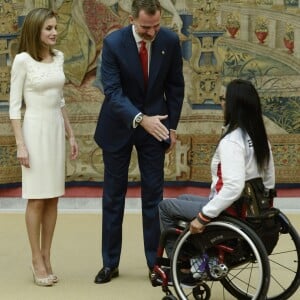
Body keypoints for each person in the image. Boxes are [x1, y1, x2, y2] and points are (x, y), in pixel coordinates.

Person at [93, 0, 184, 284]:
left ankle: (155, 263)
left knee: (154, 199)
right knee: (113, 198)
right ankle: (110, 263)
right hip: (119, 125)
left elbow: (175, 87)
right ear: (131, 19)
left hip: (156, 128)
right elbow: (113, 91)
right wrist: (140, 118)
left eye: (157, 25)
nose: (153, 32)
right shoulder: (113, 43)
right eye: (146, 27)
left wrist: (171, 128)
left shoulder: (169, 40)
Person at [159, 79, 275, 257]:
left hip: (230, 209)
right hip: (250, 208)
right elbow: (269, 180)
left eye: (223, 98)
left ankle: (182, 265)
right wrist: (265, 209)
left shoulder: (232, 141)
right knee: (183, 198)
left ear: (233, 105)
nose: (221, 102)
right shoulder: (260, 138)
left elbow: (233, 187)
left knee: (165, 207)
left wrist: (203, 217)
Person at [9, 8, 78, 286]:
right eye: (48, 28)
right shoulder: (22, 61)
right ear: (36, 30)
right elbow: (14, 109)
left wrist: (71, 134)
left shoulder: (59, 57)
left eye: (55, 27)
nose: (54, 32)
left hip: (54, 131)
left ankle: (47, 255)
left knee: (53, 196)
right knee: (37, 197)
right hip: (34, 132)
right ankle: (36, 258)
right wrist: (20, 145)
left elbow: (59, 100)